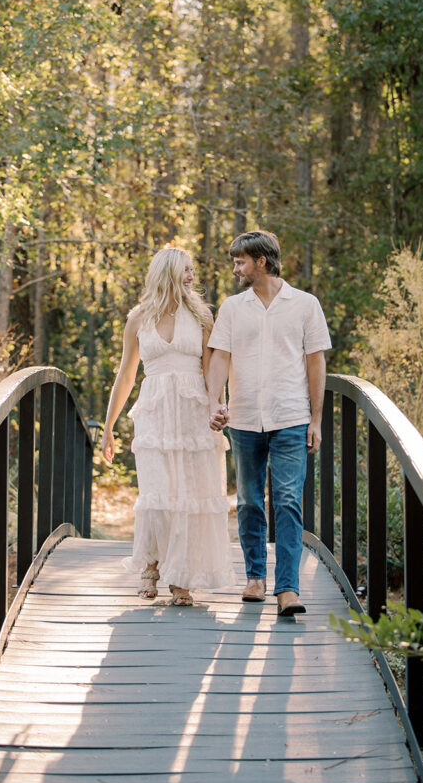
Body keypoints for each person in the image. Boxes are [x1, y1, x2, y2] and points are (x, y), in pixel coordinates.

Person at [206, 230, 331, 617]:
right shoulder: (232, 308)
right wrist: (215, 401)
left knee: (289, 502)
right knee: (248, 501)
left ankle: (288, 589)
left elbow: (316, 362)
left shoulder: (305, 305)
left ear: (261, 261)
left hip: (291, 418)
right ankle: (255, 578)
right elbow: (220, 357)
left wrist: (316, 418)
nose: (235, 268)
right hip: (243, 419)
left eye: (240, 261)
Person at [101, 247, 234, 606]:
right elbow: (126, 375)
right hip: (156, 414)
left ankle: (181, 578)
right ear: (167, 273)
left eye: (193, 269)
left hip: (193, 414)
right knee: (158, 494)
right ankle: (151, 566)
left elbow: (212, 371)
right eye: (185, 270)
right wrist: (109, 427)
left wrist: (217, 407)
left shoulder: (203, 316)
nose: (192, 276)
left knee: (190, 495)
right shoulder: (138, 319)